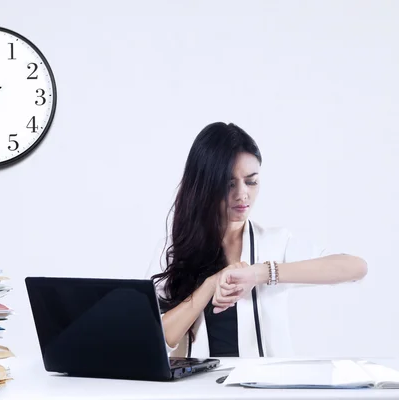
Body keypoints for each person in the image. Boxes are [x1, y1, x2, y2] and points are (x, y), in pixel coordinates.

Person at [150, 122, 367, 359]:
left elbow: (356, 268)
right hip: (199, 392)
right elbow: (157, 338)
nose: (243, 194)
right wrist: (210, 286)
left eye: (251, 181)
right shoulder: (173, 249)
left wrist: (261, 273)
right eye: (229, 183)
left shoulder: (275, 242)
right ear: (205, 184)